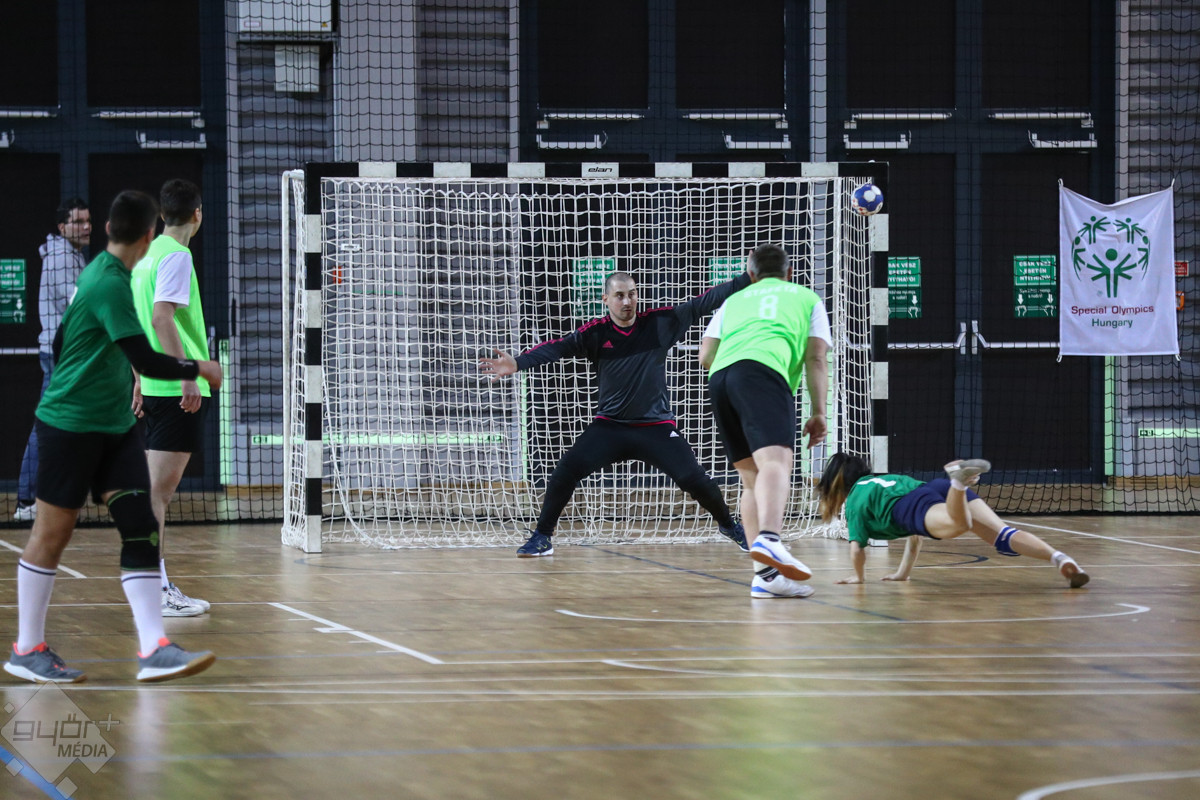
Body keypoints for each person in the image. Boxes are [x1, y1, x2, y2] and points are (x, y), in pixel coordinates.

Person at [4, 190, 222, 685]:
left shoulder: (103, 278)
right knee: (51, 535)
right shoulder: (107, 283)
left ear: (107, 229)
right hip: (69, 425)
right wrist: (199, 368)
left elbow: (63, 339)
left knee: (141, 523)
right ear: (149, 235)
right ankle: (27, 648)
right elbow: (145, 358)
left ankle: (155, 647)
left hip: (112, 426)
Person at [479, 267, 753, 557]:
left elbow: (703, 302)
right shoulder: (595, 333)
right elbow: (557, 348)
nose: (627, 301)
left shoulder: (659, 323)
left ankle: (730, 526)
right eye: (619, 296)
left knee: (694, 480)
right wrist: (518, 363)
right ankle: (542, 537)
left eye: (632, 294)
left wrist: (747, 278)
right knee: (564, 472)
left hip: (656, 427)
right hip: (610, 426)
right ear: (606, 300)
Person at [699, 244, 830, 600]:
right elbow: (816, 359)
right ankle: (771, 539)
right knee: (777, 462)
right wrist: (819, 412)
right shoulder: (806, 298)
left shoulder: (733, 300)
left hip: (721, 380)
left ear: (752, 275)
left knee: (751, 479)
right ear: (789, 273)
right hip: (762, 372)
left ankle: (766, 578)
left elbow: (705, 355)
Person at [817, 452, 1090, 588]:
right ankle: (1061, 559)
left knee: (960, 525)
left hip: (914, 505)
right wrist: (903, 573)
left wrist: (859, 577)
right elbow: (915, 535)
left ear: (837, 486)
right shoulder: (886, 479)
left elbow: (857, 548)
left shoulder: (855, 500)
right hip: (932, 489)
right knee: (1003, 535)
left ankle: (959, 482)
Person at [130, 179, 211, 617]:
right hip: (174, 390)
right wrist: (186, 377)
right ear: (197, 215)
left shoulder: (145, 255)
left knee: (153, 493)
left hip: (153, 384)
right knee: (155, 495)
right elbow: (161, 318)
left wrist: (138, 377)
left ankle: (151, 586)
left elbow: (133, 323)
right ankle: (156, 590)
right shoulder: (177, 255)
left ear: (163, 215)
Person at [13, 199, 92, 522]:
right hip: (62, 357)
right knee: (47, 425)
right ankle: (28, 500)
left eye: (88, 221)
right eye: (78, 222)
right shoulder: (61, 258)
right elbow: (82, 304)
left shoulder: (72, 254)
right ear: (62, 227)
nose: (86, 227)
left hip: (71, 355)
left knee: (66, 424)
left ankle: (49, 493)